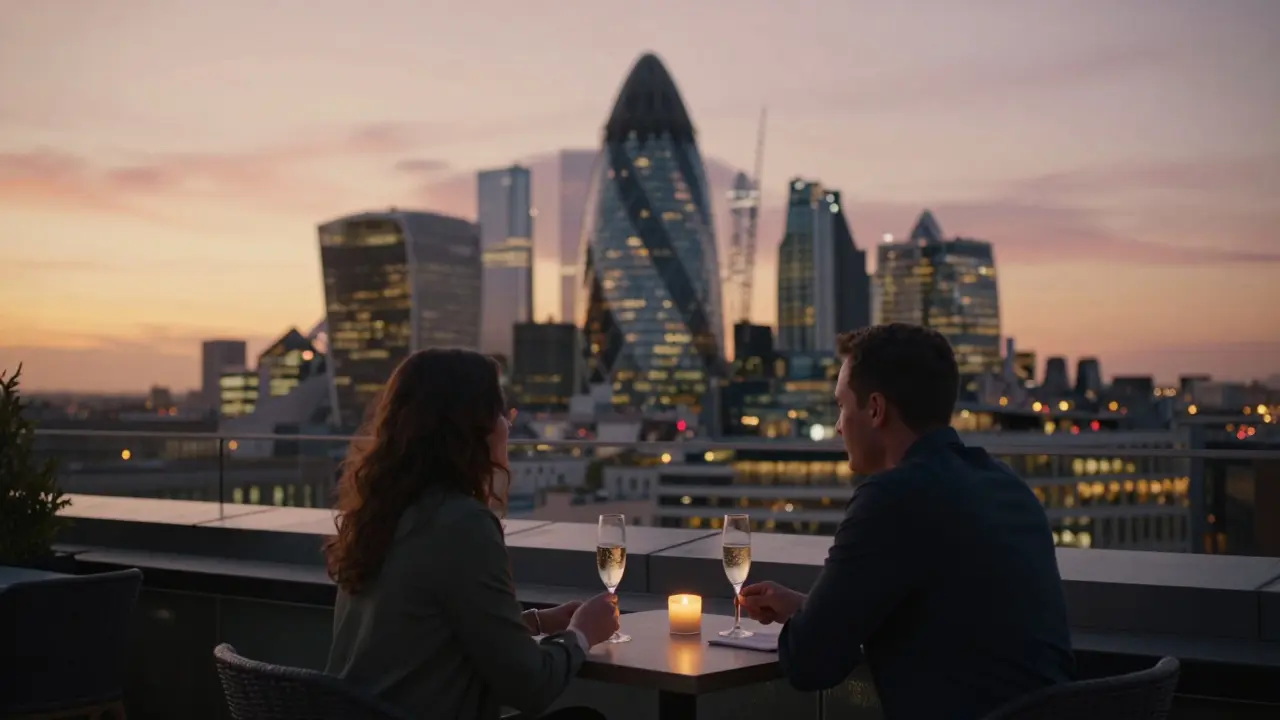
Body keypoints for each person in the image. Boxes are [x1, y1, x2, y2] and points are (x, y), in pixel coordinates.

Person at [740, 324, 1075, 719]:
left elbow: (810, 663)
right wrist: (808, 609)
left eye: (842, 406)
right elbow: (942, 622)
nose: (839, 425)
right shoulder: (1008, 486)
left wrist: (814, 624)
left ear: (876, 409)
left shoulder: (891, 498)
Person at [324, 348, 615, 720]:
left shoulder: (376, 514)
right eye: (501, 413)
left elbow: (428, 633)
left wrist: (538, 622)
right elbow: (531, 686)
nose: (508, 425)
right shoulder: (461, 525)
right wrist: (583, 633)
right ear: (472, 430)